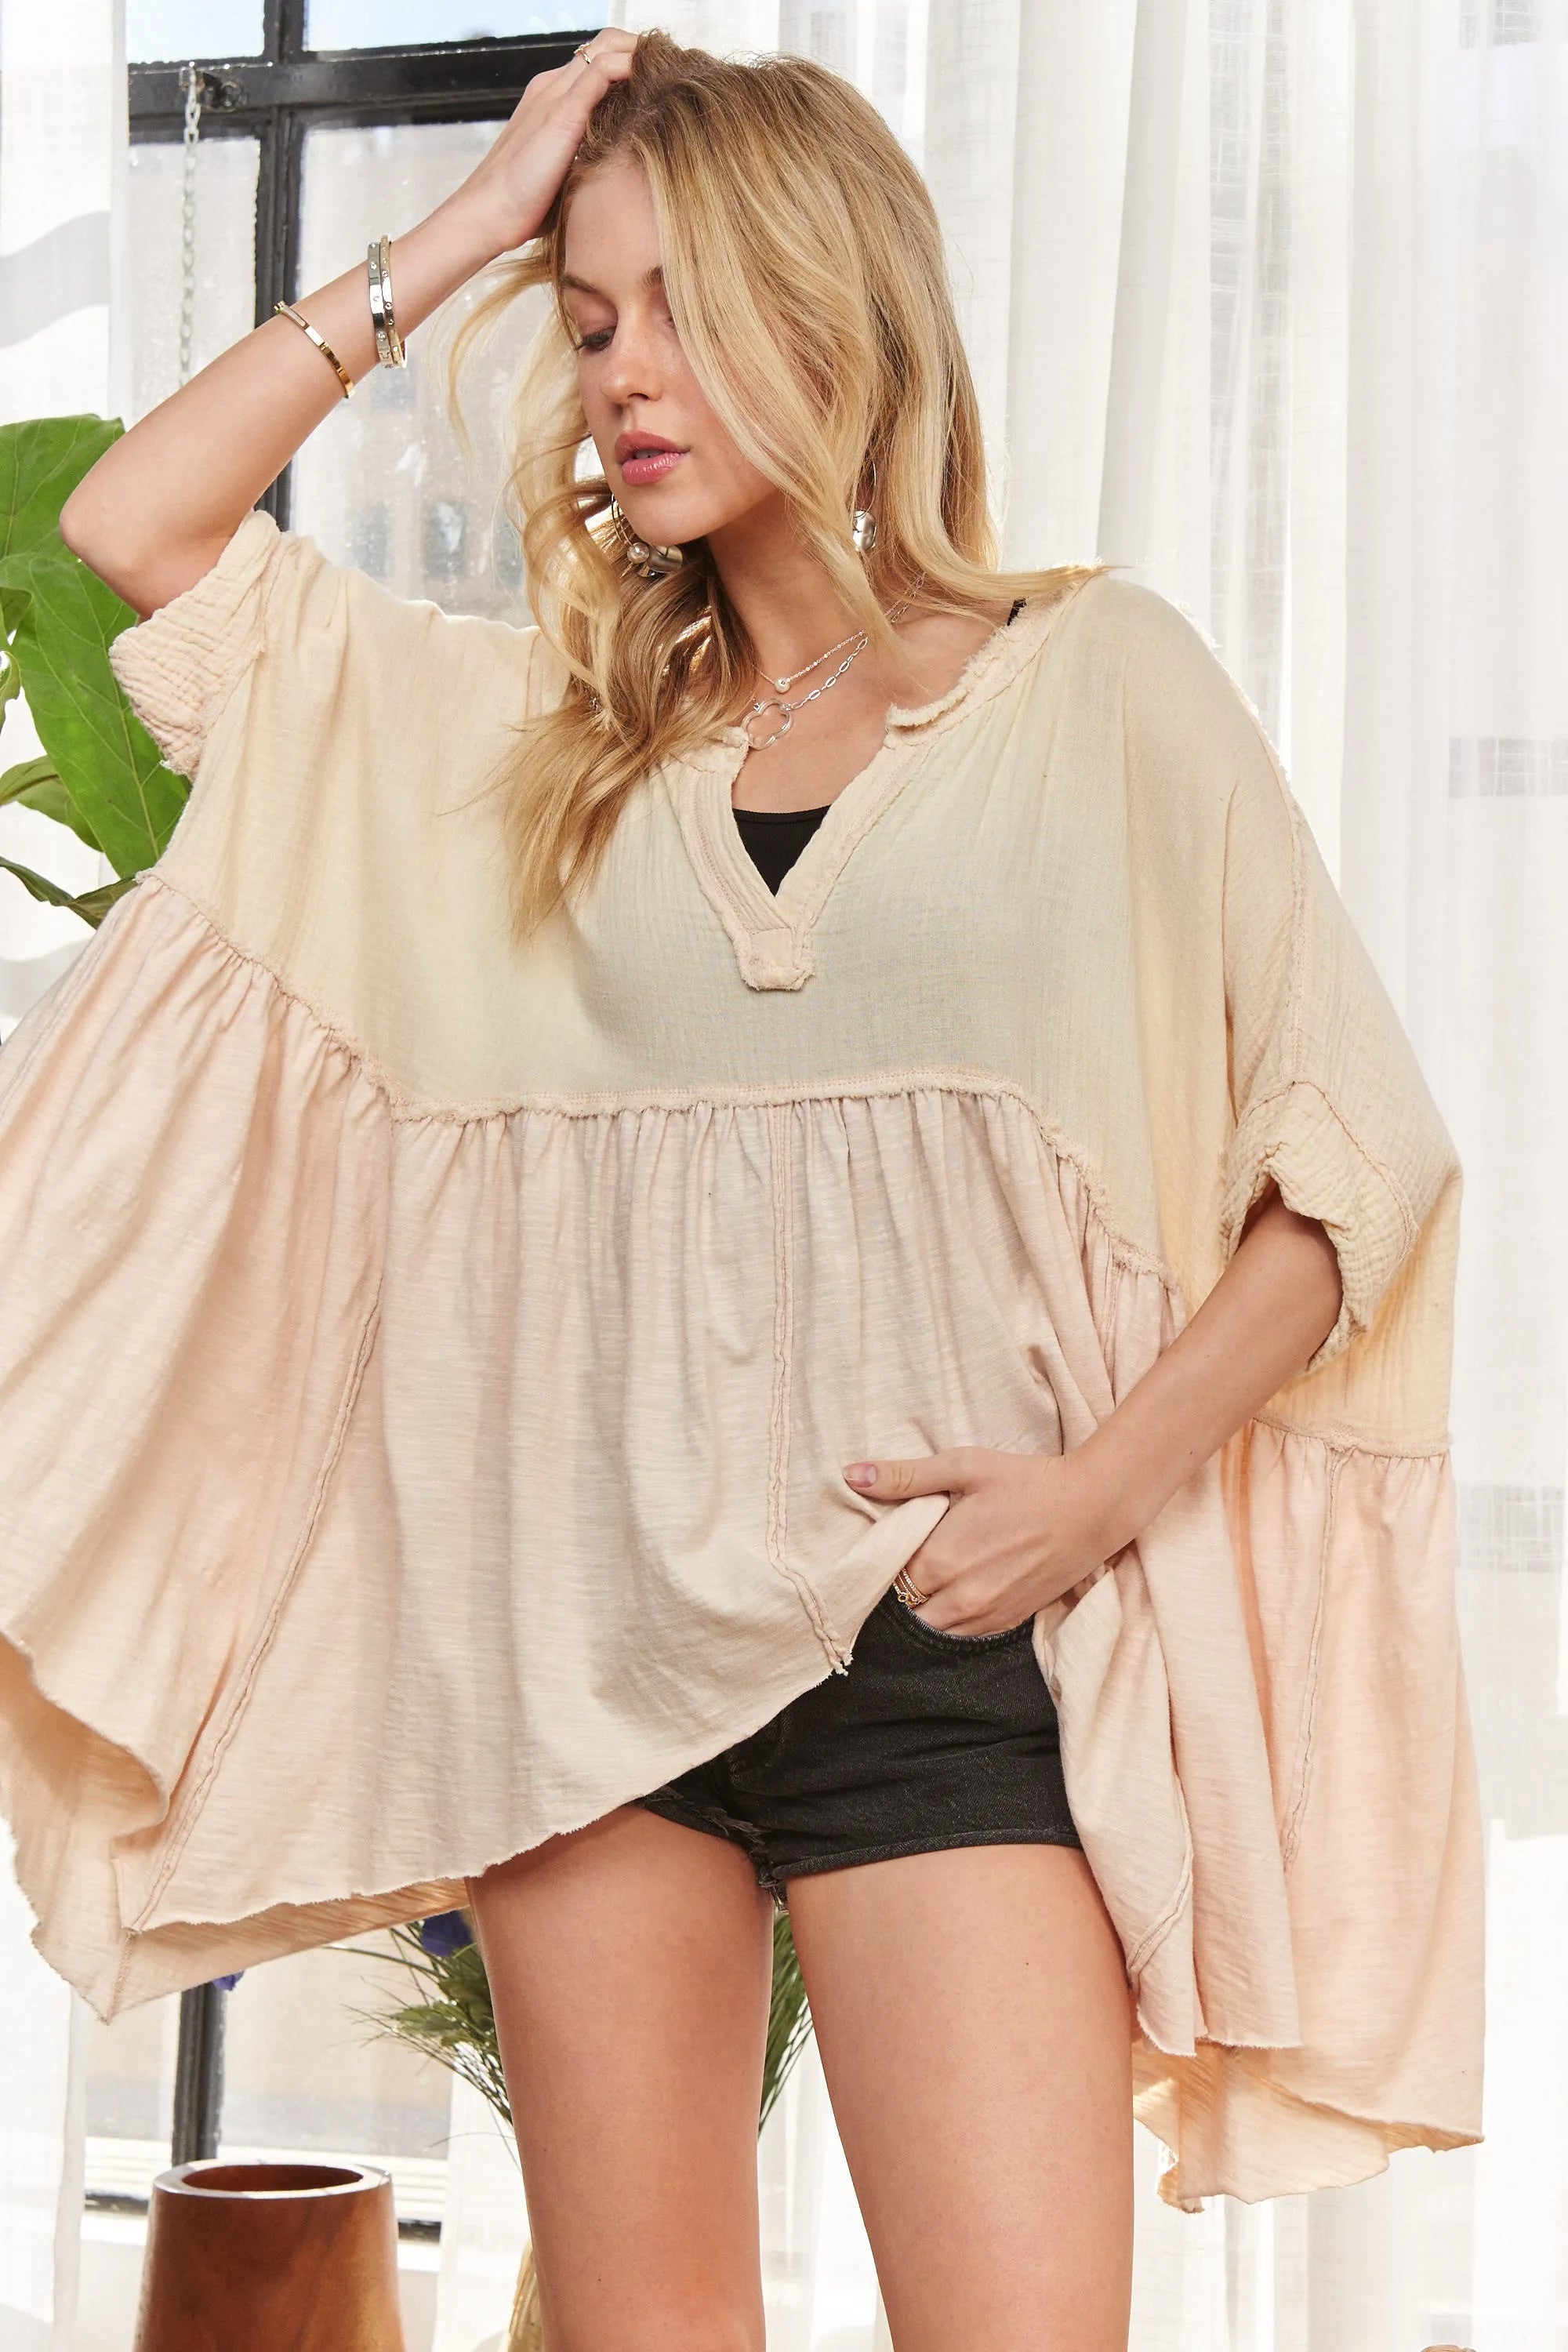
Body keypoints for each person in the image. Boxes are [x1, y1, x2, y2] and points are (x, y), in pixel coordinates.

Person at [0, 27, 1481, 2352]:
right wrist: (474, 222)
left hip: (950, 1659)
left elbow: (1354, 1160)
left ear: (838, 303)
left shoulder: (1098, 688)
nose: (624, 374)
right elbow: (133, 535)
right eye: (593, 319)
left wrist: (1095, 1494)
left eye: (687, 305)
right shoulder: (537, 745)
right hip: (575, 1667)